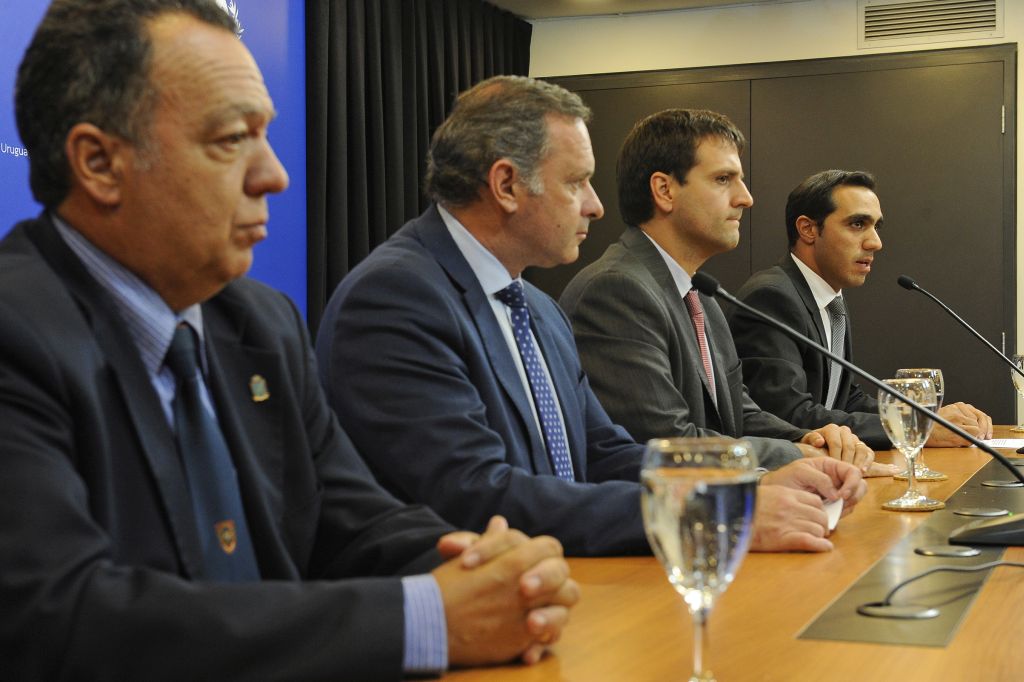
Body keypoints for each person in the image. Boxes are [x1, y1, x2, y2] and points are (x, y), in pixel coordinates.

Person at [0, 2, 579, 679]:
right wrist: (425, 621)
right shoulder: (17, 332)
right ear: (100, 163)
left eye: (266, 136)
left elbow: (358, 525)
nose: (273, 174)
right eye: (229, 140)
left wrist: (490, 569)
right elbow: (58, 619)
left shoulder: (260, 322)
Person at [315, 76, 868, 559]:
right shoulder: (396, 296)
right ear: (507, 185)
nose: (596, 205)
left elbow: (606, 452)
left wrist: (745, 483)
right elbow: (476, 494)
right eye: (576, 181)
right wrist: (717, 512)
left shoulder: (536, 306)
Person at [559, 108, 880, 476]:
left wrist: (810, 440)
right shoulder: (617, 290)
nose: (745, 198)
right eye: (724, 179)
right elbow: (667, 443)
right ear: (664, 190)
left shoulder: (701, 295)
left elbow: (739, 414)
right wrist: (792, 455)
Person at [728, 169, 993, 449]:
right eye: (857, 224)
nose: (875, 242)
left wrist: (925, 416)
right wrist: (913, 426)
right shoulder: (772, 297)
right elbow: (789, 415)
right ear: (807, 229)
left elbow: (845, 398)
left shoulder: (829, 299)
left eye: (876, 226)